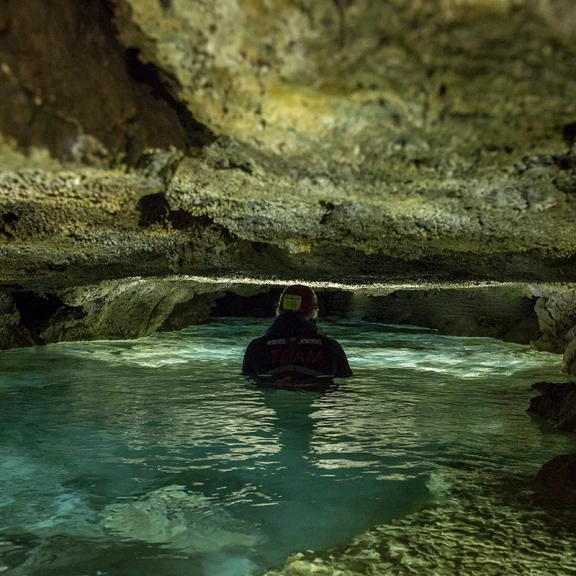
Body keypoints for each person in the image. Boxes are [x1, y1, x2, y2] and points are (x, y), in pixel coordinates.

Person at [241, 284, 353, 389]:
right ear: (313, 310)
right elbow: (343, 380)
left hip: (272, 394)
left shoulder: (256, 346)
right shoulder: (331, 347)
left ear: (279, 309)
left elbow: (249, 381)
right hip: (315, 395)